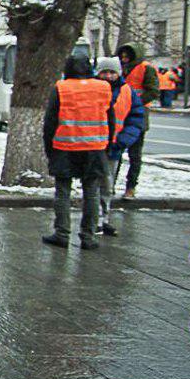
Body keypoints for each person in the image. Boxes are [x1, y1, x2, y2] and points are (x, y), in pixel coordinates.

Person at [43, 55, 114, 250]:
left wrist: (50, 150)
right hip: (95, 149)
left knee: (63, 193)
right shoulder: (102, 87)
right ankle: (88, 236)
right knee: (91, 193)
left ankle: (62, 233)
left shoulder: (62, 88)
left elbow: (50, 122)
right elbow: (111, 118)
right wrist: (106, 147)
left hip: (65, 147)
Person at [95, 56, 145, 236]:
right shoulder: (91, 89)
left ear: (118, 73)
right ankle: (94, 219)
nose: (108, 76)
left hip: (114, 146)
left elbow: (136, 119)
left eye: (111, 72)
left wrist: (123, 140)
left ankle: (103, 219)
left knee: (107, 185)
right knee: (93, 185)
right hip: (93, 145)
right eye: (104, 72)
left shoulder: (127, 92)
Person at [117, 42, 158, 198]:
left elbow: (153, 91)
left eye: (128, 56)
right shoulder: (119, 68)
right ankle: (110, 184)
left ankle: (131, 187)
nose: (124, 58)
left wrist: (134, 103)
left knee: (135, 155)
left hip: (138, 114)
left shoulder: (145, 68)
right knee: (115, 153)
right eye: (123, 55)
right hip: (120, 114)